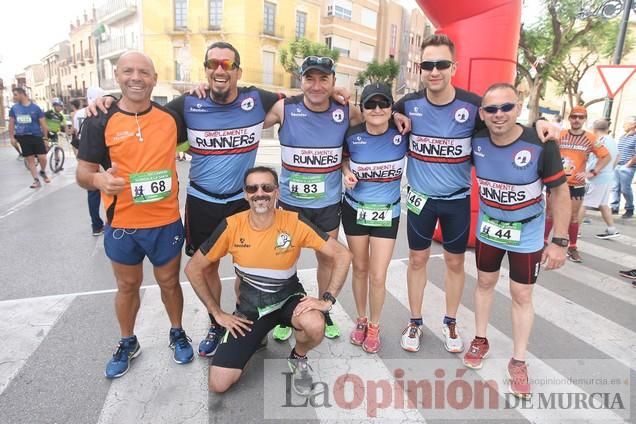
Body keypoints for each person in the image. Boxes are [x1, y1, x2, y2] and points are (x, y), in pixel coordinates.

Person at [90, 42, 285, 358]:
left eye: (227, 64)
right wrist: (109, 100)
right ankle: (216, 323)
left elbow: (298, 104)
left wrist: (338, 99)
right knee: (207, 269)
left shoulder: (256, 98)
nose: (220, 70)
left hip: (242, 202)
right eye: (213, 64)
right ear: (206, 69)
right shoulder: (187, 104)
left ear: (238, 71)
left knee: (248, 269)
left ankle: (247, 322)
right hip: (202, 202)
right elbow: (140, 108)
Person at [392, 34, 558, 354]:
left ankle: (450, 320)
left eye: (441, 64)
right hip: (420, 200)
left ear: (453, 66)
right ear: (420, 68)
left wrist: (542, 124)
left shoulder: (472, 105)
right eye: (428, 65)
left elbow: (505, 121)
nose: (434, 71)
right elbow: (373, 108)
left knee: (455, 263)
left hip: (456, 200)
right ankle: (414, 321)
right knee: (417, 259)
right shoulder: (408, 105)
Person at [76, 51, 194, 379]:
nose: (136, 77)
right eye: (128, 71)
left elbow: (206, 105)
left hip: (165, 221)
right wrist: (99, 179)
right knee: (127, 286)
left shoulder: (172, 117)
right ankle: (128, 341)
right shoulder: (98, 120)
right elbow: (83, 173)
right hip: (122, 224)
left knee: (170, 282)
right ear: (117, 75)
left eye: (144, 71)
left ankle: (176, 331)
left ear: (155, 78)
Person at [184, 166, 352, 395]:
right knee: (218, 384)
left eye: (267, 187)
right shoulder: (232, 225)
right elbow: (193, 269)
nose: (259, 193)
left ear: (277, 192)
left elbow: (342, 254)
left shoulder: (294, 221)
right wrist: (217, 313)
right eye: (253, 188)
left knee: (315, 325)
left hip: (288, 300)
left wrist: (327, 300)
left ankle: (298, 356)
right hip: (251, 310)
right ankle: (256, 338)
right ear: (245, 194)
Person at [463, 83, 570, 399]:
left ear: (519, 107)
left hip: (527, 233)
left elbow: (560, 192)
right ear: (482, 113)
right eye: (491, 109)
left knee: (521, 294)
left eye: (506, 107)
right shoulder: (477, 139)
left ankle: (518, 360)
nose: (499, 115)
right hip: (489, 229)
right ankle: (480, 339)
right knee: (484, 283)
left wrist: (560, 241)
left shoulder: (540, 142)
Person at [341, 83, 407, 353]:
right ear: (363, 108)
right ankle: (361, 319)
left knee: (378, 275)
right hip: (355, 210)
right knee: (360, 269)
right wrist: (346, 173)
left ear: (392, 108)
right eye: (370, 104)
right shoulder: (352, 135)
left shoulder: (403, 134)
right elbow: (343, 161)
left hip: (387, 213)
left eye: (383, 104)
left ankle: (375, 325)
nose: (377, 109)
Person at [544, 106, 610, 263]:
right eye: (574, 116)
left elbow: (606, 157)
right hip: (556, 182)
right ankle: (543, 242)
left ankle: (572, 247)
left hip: (576, 184)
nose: (577, 120)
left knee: (573, 217)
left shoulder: (591, 138)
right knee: (550, 214)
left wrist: (592, 172)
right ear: (569, 118)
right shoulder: (560, 134)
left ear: (585, 119)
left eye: (581, 117)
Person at [72, 87, 106, 236]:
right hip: (102, 152)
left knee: (93, 191)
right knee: (110, 187)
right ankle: (111, 221)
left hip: (86, 153)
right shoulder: (104, 110)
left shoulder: (78, 114)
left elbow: (75, 133)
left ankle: (96, 225)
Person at [583, 119, 619, 239]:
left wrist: (590, 172)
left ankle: (573, 231)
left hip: (597, 177)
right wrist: (610, 169)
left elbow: (598, 159)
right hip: (607, 176)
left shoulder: (600, 141)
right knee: (603, 204)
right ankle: (611, 229)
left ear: (594, 129)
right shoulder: (612, 140)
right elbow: (617, 157)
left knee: (584, 203)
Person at [8, 87, 50, 188]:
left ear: (22, 94)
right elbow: (11, 123)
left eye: (15, 94)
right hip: (23, 137)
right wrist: (12, 137)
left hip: (36, 136)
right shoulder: (14, 109)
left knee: (42, 157)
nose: (14, 97)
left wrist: (45, 139)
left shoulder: (36, 108)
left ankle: (43, 171)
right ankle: (36, 180)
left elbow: (44, 125)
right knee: (30, 159)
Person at [610, 115, 636, 218]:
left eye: (626, 123)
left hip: (628, 167)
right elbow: (618, 152)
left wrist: (628, 165)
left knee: (625, 188)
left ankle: (629, 208)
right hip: (618, 165)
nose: (623, 125)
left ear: (633, 124)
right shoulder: (623, 137)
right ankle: (614, 207)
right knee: (615, 187)